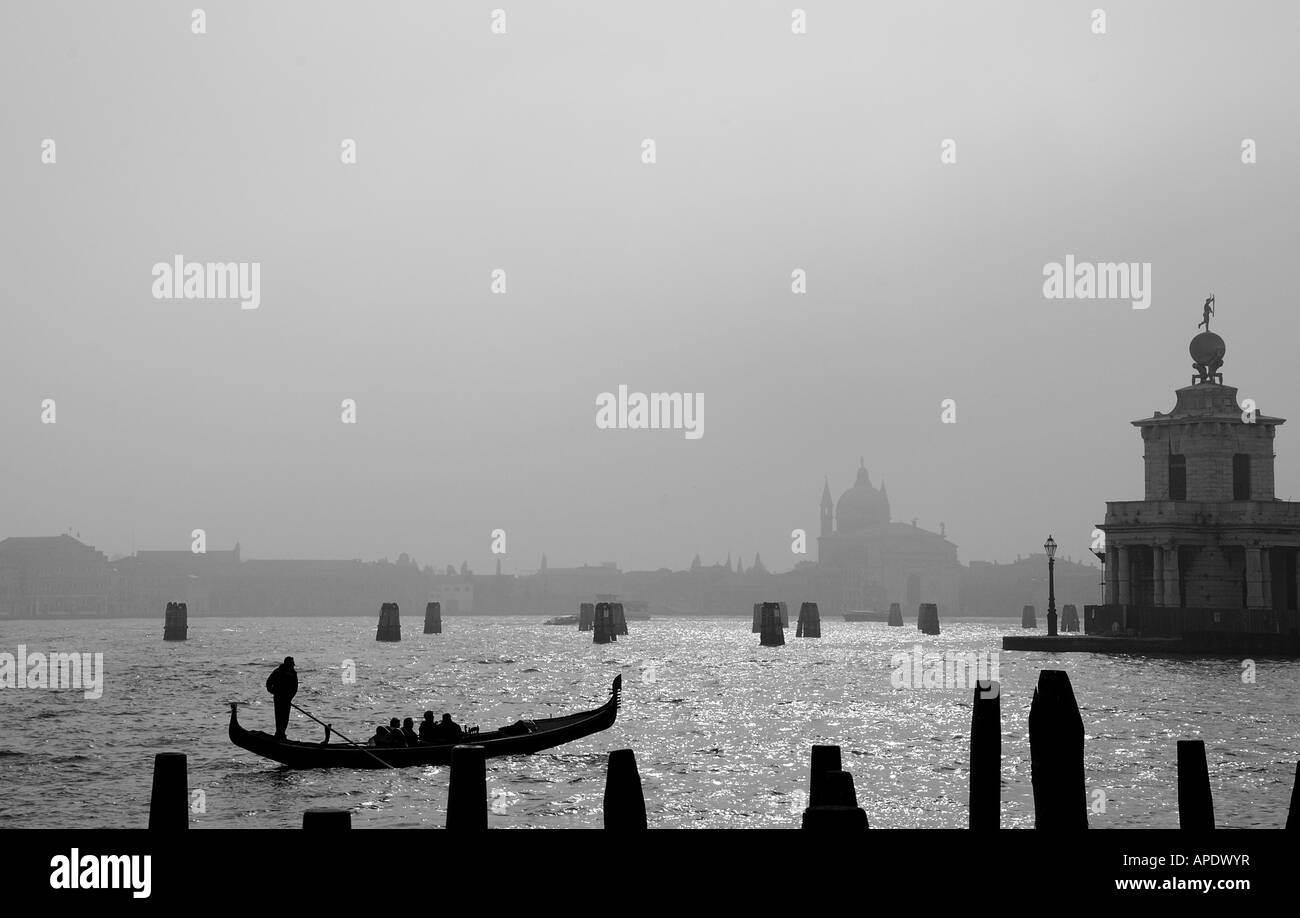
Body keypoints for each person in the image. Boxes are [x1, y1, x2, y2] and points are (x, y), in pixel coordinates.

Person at [265, 656, 298, 741]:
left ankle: (281, 734)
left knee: (285, 717)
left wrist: (289, 698)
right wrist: (273, 692)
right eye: (291, 664)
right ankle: (279, 734)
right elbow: (269, 683)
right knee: (279, 716)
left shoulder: (293, 673)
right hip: (278, 698)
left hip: (287, 699)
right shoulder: (278, 672)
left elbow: (295, 688)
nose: (292, 666)